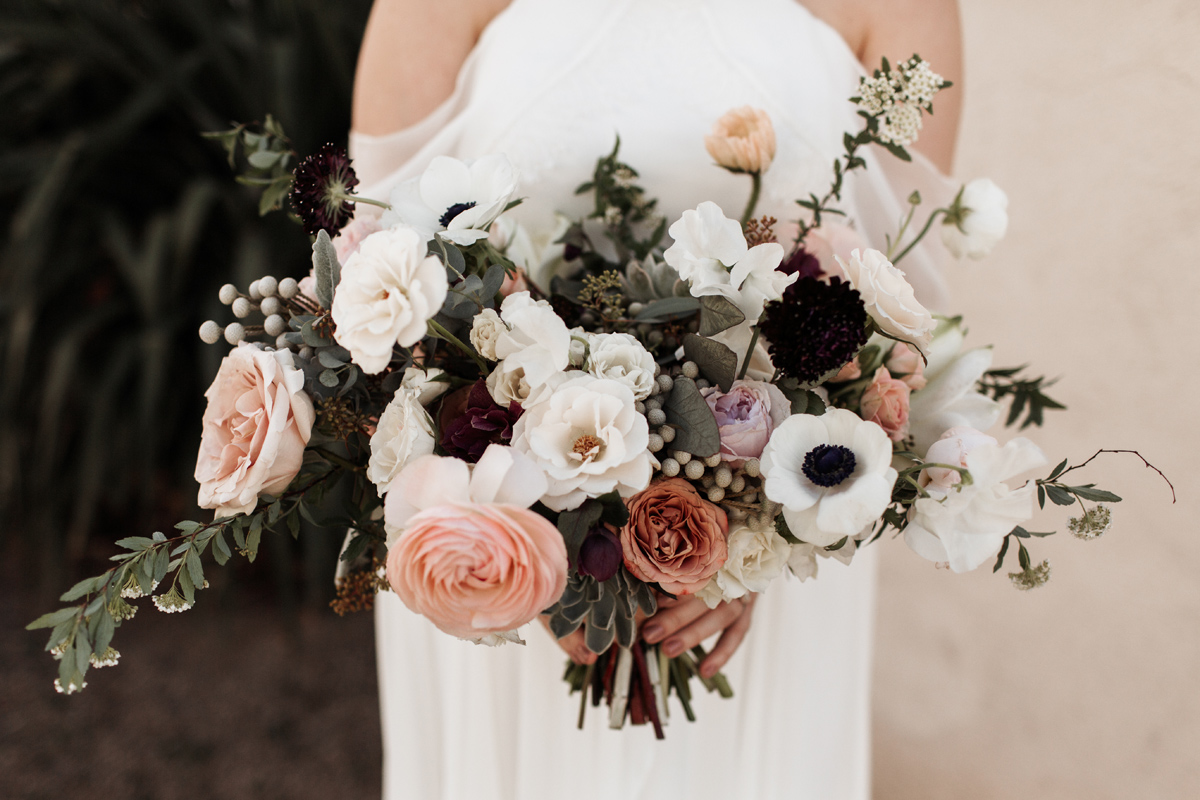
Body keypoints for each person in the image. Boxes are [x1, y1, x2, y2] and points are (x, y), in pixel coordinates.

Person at [350, 1, 962, 798]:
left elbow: (903, 321)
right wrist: (522, 553)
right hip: (491, 540)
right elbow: (373, 279)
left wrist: (751, 548)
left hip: (774, 560)